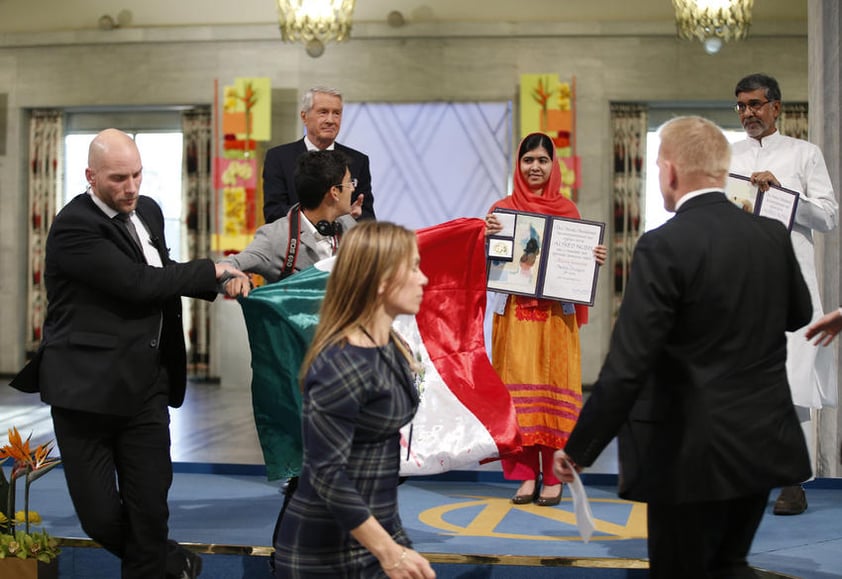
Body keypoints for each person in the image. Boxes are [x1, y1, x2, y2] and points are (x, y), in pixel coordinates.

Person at [553, 116, 813, 578]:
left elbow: (628, 364)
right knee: (729, 564)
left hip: (687, 452)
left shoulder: (662, 245)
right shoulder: (771, 236)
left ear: (669, 172)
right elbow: (799, 315)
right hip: (759, 440)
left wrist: (581, 446)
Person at [10, 129, 247, 578]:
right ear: (90, 176)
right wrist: (211, 268)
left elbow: (161, 272)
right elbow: (137, 285)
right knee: (100, 518)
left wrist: (217, 279)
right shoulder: (74, 226)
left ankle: (158, 562)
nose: (132, 187)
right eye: (119, 178)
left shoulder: (148, 211)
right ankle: (170, 561)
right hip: (86, 392)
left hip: (147, 388)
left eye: (137, 174)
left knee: (149, 513)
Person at [272, 221, 436, 579]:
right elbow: (326, 473)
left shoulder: (389, 344)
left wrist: (394, 542)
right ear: (379, 280)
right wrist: (390, 550)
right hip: (325, 555)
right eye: (412, 267)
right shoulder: (340, 364)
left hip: (372, 535)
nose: (423, 279)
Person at [729, 73, 838, 516]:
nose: (748, 114)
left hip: (791, 284)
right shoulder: (728, 156)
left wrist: (784, 195)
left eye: (755, 105)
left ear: (776, 107)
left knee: (794, 384)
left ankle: (794, 482)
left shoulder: (804, 154)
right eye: (741, 106)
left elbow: (828, 217)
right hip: (740, 285)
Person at [484, 132, 606, 507]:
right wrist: (485, 240)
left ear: (554, 166)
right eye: (528, 160)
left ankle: (552, 476)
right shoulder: (501, 211)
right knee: (518, 395)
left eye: (542, 160)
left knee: (553, 391)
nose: (535, 167)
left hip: (556, 318)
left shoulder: (568, 212)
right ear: (518, 165)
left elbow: (574, 265)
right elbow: (492, 265)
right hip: (515, 318)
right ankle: (523, 476)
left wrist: (591, 259)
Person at [220, 149, 362, 298]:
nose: (353, 188)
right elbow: (226, 265)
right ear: (334, 192)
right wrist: (234, 279)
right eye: (349, 183)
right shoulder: (276, 237)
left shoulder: (348, 225)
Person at [263, 86, 375, 223]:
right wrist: (326, 217)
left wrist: (352, 218)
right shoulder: (278, 158)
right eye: (323, 112)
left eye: (336, 113)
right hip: (295, 241)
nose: (330, 120)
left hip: (343, 242)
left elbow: (367, 219)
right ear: (304, 117)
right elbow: (274, 213)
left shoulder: (358, 161)